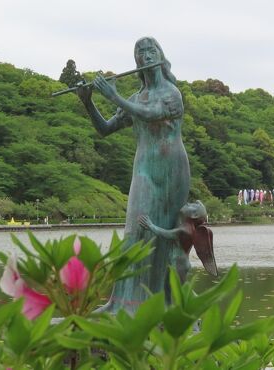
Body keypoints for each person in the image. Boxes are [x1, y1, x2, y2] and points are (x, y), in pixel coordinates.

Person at [77, 36, 190, 313]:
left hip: (172, 171)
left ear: (160, 55)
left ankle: (162, 305)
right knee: (133, 233)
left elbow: (152, 114)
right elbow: (105, 129)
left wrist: (113, 96)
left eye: (151, 50)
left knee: (163, 238)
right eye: (141, 52)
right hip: (144, 169)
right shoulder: (135, 98)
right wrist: (88, 102)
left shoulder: (172, 94)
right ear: (137, 61)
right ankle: (122, 304)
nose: (147, 55)